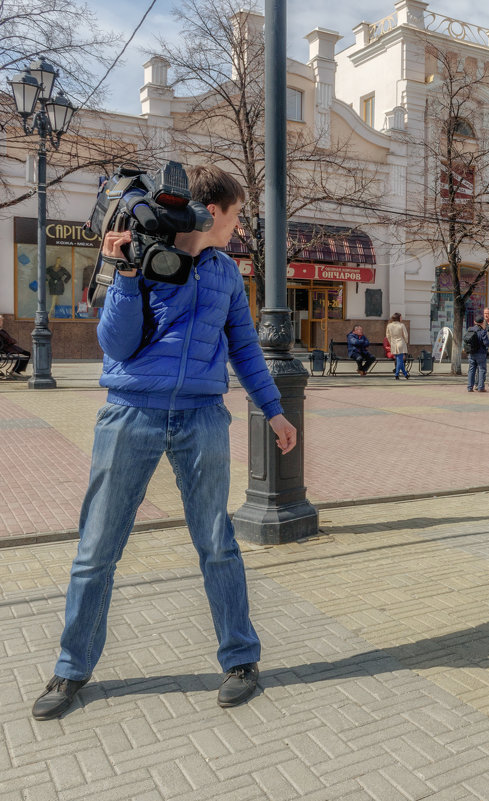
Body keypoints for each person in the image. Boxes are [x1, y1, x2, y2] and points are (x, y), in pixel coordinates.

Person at [31, 164, 299, 721]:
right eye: (237, 214)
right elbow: (116, 344)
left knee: (216, 542)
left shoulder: (226, 272)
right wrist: (124, 273)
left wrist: (273, 411)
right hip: (131, 413)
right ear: (214, 210)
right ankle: (71, 668)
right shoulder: (140, 253)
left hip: (202, 417)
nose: (239, 225)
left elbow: (245, 348)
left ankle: (241, 659)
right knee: (96, 550)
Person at [464, 315, 488, 392]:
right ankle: (481, 387)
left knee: (471, 370)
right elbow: (486, 343)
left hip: (471, 353)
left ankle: (469, 387)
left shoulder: (470, 330)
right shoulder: (482, 331)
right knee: (481, 370)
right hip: (481, 353)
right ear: (482, 322)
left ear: (475, 322)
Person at [385, 312, 410, 379]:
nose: (401, 318)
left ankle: (405, 374)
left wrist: (391, 342)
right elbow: (406, 335)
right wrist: (406, 342)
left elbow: (388, 336)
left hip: (393, 343)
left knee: (399, 360)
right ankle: (396, 374)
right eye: (401, 317)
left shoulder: (389, 325)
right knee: (400, 360)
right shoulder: (401, 325)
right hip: (401, 342)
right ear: (398, 318)